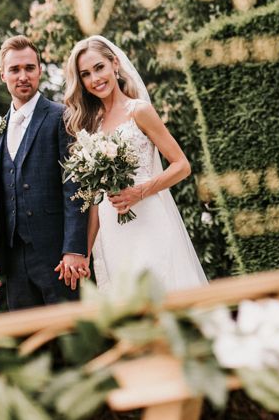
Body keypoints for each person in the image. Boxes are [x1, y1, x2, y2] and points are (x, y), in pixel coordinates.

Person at [62, 35, 207, 293]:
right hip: (113, 231)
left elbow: (182, 165)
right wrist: (84, 251)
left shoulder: (139, 110)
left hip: (148, 217)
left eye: (99, 68)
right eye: (85, 74)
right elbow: (96, 199)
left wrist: (139, 192)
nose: (95, 79)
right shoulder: (90, 125)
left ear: (114, 64)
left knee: (163, 293)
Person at [0, 36, 89, 310]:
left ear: (40, 70)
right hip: (15, 262)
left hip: (58, 257)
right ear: (2, 74)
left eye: (29, 68)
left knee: (71, 338)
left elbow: (75, 189)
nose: (23, 76)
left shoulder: (60, 117)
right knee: (32, 343)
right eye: (15, 69)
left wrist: (75, 249)